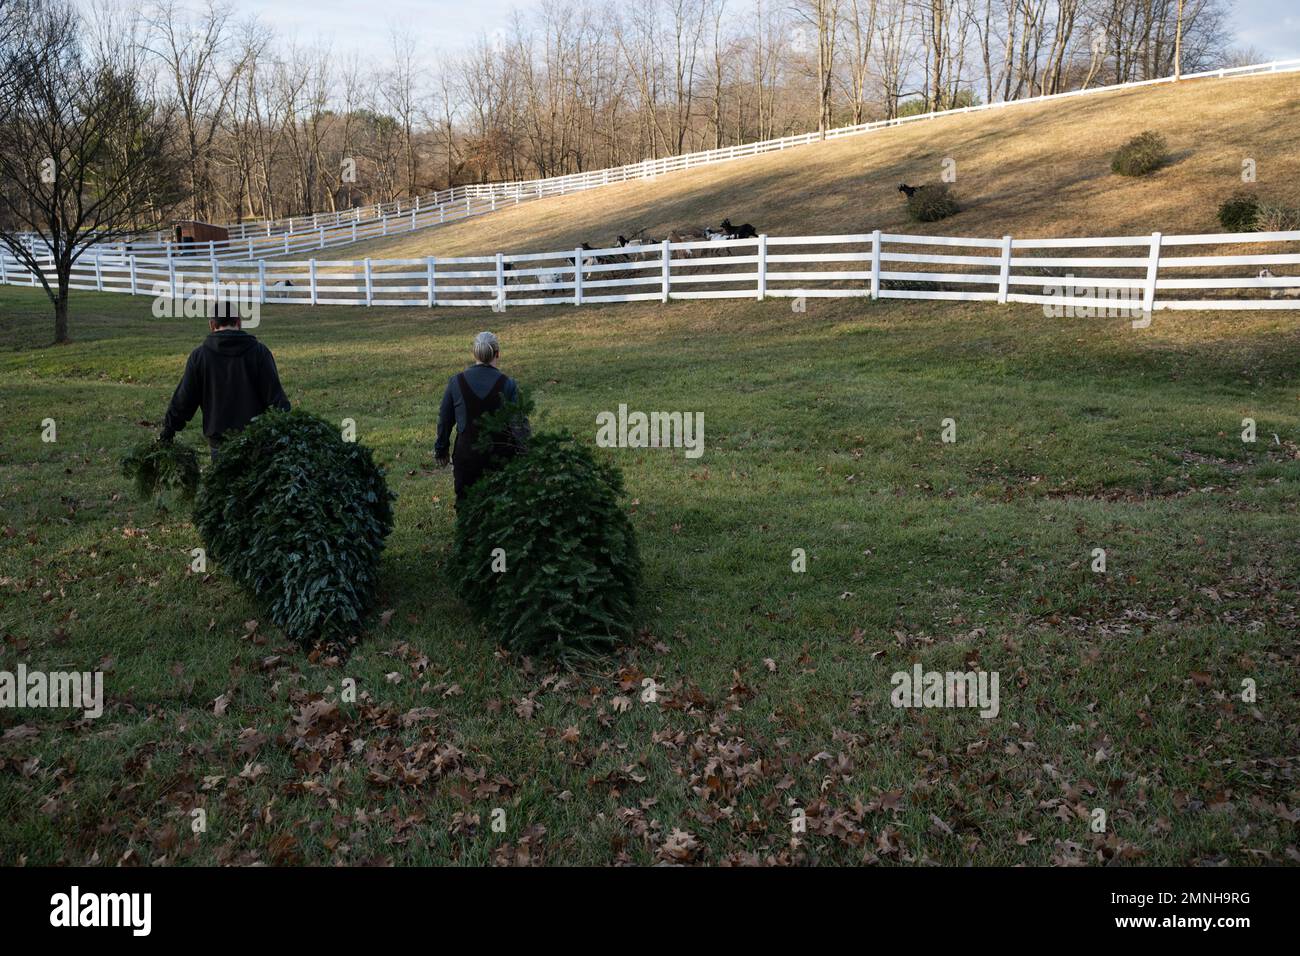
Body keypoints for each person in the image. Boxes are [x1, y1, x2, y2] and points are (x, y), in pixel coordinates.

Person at [158, 300, 290, 459]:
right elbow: (275, 397)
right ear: (239, 322)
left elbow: (184, 399)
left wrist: (168, 431)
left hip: (219, 442)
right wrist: (289, 429)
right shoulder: (259, 353)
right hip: (256, 440)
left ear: (212, 325)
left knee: (222, 483)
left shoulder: (200, 357)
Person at [435, 331, 523, 502]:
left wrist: (441, 449)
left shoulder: (456, 382)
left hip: (467, 458)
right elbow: (519, 425)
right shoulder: (508, 384)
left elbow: (445, 420)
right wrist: (526, 455)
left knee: (466, 504)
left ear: (474, 353)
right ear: (498, 353)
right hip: (501, 459)